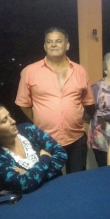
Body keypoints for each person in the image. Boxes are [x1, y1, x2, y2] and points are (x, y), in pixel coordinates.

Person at [15, 27, 95, 173]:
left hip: (76, 138)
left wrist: (84, 124)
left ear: (67, 45)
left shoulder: (80, 71)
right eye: (49, 42)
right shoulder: (30, 71)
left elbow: (88, 102)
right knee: (51, 183)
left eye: (58, 41)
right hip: (45, 140)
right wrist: (38, 120)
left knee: (78, 180)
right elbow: (23, 103)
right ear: (45, 46)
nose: (53, 45)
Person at [0, 103, 67, 193]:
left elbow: (61, 154)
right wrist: (45, 158)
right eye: (5, 120)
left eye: (10, 116)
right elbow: (24, 184)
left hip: (59, 186)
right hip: (32, 201)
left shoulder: (28, 129)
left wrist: (32, 174)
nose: (13, 121)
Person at [87, 52, 110, 167]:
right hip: (103, 141)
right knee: (107, 173)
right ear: (105, 69)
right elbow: (87, 114)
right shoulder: (97, 88)